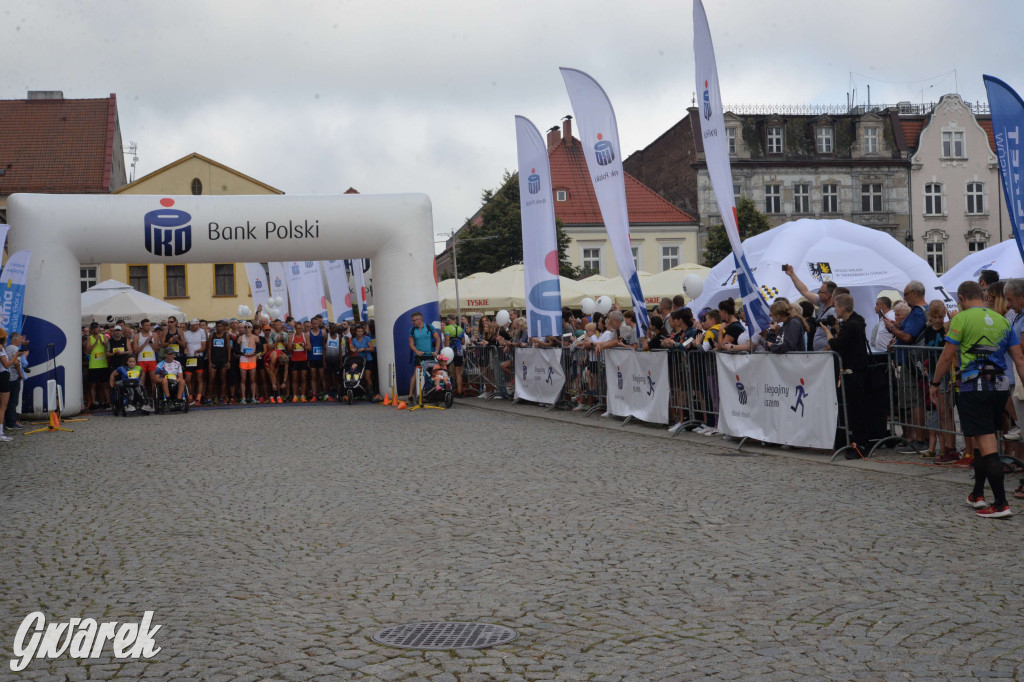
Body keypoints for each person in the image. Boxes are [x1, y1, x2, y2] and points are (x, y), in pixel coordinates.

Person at [930, 281, 1024, 518]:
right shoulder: (1003, 319)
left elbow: (947, 356)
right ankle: (977, 494)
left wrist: (935, 383)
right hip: (1000, 387)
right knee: (986, 440)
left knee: (987, 444)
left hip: (974, 387)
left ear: (961, 298)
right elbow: (1019, 358)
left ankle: (1001, 503)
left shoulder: (961, 320)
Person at [823, 294, 870, 456]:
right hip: (858, 369)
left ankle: (859, 444)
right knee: (857, 409)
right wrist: (837, 328)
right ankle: (858, 442)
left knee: (856, 410)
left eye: (836, 307)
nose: (835, 310)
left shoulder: (851, 325)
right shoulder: (857, 321)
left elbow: (837, 344)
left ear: (842, 308)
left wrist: (828, 333)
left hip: (854, 371)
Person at [885, 281, 928, 452]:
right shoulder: (926, 309)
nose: (904, 297)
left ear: (915, 293)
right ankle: (919, 438)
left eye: (906, 293)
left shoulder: (918, 312)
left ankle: (920, 439)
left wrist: (892, 329)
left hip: (912, 362)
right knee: (913, 402)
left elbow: (909, 337)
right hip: (916, 361)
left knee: (914, 402)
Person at [783, 265, 836, 351]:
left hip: (826, 356)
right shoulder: (822, 304)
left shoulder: (833, 312)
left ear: (827, 295)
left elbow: (836, 337)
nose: (818, 293)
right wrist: (792, 275)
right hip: (822, 355)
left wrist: (823, 351)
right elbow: (805, 291)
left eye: (820, 292)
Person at [408, 311, 440, 398]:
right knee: (416, 374)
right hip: (419, 356)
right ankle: (410, 395)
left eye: (414, 320)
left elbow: (437, 339)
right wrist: (416, 351)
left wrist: (436, 351)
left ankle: (436, 391)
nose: (413, 322)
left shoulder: (429, 327)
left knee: (434, 374)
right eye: (412, 320)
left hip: (429, 355)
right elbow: (411, 344)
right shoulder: (412, 330)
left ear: (420, 320)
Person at [83, 322, 109, 410]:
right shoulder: (89, 338)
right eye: (94, 328)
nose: (96, 329)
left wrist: (103, 343)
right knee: (93, 385)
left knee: (105, 384)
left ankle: (107, 402)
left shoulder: (104, 337)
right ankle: (93, 403)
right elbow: (87, 351)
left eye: (97, 328)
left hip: (103, 364)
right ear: (91, 329)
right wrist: (95, 344)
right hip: (93, 365)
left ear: (99, 328)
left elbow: (108, 349)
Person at [183, 319, 208, 405]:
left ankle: (198, 398)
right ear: (191, 325)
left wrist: (198, 350)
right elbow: (185, 345)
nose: (197, 326)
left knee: (199, 378)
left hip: (198, 357)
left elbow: (204, 346)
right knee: (188, 379)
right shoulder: (186, 333)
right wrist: (185, 349)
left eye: (198, 325)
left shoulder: (201, 332)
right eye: (196, 325)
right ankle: (190, 396)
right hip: (190, 358)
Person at [4, 332, 26, 429]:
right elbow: (16, 362)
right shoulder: (15, 349)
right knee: (13, 400)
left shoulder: (7, 348)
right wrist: (20, 374)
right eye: (20, 338)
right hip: (14, 377)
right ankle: (12, 422)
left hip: (7, 377)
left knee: (8, 401)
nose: (21, 340)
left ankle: (8, 421)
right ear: (15, 339)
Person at [207, 320, 232, 405]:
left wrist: (228, 361)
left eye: (221, 326)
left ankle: (222, 397)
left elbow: (228, 348)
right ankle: (210, 397)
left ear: (223, 327)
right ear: (215, 327)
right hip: (214, 360)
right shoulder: (212, 335)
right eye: (218, 326)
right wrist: (210, 362)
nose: (219, 328)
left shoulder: (226, 335)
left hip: (223, 360)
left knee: (223, 379)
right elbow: (209, 349)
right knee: (212, 379)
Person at [133, 319, 160, 393]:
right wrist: (145, 342)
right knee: (142, 381)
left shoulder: (154, 335)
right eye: (146, 325)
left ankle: (154, 397)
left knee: (153, 380)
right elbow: (135, 351)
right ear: (142, 326)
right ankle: (143, 397)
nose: (148, 327)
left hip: (152, 360)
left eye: (149, 325)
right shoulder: (137, 336)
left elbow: (157, 350)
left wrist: (151, 342)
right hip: (141, 360)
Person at [442, 314, 466, 396]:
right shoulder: (460, 328)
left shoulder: (447, 328)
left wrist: (446, 349)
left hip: (450, 351)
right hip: (459, 351)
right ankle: (460, 392)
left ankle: (447, 391)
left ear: (448, 320)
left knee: (446, 371)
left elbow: (447, 339)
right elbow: (463, 342)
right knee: (458, 372)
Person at [237, 322, 260, 404]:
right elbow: (236, 350)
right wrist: (243, 354)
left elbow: (259, 349)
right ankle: (243, 398)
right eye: (245, 327)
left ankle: (253, 397)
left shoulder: (256, 338)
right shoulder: (240, 338)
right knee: (243, 379)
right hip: (243, 359)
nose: (246, 329)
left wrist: (253, 354)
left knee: (252, 379)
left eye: (248, 327)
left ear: (251, 328)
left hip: (252, 359)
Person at [287, 322, 309, 402]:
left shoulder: (305, 336)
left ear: (302, 328)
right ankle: (295, 395)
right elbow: (288, 349)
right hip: (294, 360)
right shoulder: (291, 337)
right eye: (297, 328)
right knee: (294, 378)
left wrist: (304, 346)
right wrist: (293, 346)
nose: (299, 330)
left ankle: (303, 395)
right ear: (295, 328)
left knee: (303, 377)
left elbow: (309, 347)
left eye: (300, 328)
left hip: (303, 359)